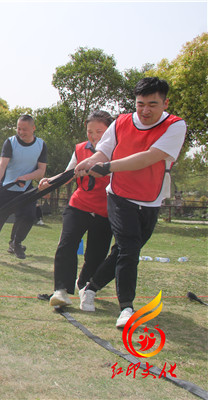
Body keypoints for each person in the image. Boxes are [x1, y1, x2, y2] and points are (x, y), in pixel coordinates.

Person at [74, 77, 186, 328]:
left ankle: (91, 287)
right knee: (129, 249)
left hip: (151, 198)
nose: (145, 111)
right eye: (140, 104)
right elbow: (104, 150)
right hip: (119, 195)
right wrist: (91, 162)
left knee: (126, 250)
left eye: (153, 105)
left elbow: (149, 157)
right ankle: (126, 307)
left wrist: (107, 166)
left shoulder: (175, 126)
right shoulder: (121, 123)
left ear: (165, 103)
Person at [39, 110, 114, 310]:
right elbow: (69, 173)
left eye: (100, 131)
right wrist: (50, 181)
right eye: (90, 131)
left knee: (96, 254)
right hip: (79, 205)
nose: (94, 135)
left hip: (106, 211)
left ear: (111, 131)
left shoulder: (119, 151)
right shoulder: (81, 148)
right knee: (67, 244)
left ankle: (85, 286)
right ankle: (61, 290)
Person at [0, 115, 47, 261]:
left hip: (27, 189)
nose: (21, 132)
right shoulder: (10, 143)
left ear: (33, 128)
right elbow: (2, 166)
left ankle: (16, 243)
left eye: (25, 129)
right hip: (6, 189)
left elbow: (41, 171)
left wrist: (26, 177)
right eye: (18, 128)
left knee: (29, 217)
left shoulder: (41, 145)